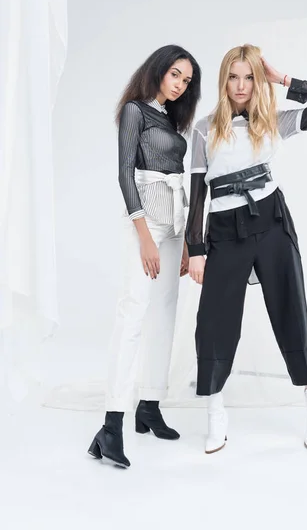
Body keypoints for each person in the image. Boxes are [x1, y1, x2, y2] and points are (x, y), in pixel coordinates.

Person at [186, 44, 307, 455]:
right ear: (224, 80)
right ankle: (216, 413)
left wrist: (282, 78)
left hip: (271, 222)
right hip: (223, 230)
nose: (240, 85)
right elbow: (197, 194)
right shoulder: (203, 128)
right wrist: (195, 249)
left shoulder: (272, 121)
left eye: (248, 76)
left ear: (257, 80)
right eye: (233, 77)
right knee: (214, 322)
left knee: (291, 309)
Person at [88, 45, 201, 468]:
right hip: (145, 225)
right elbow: (124, 173)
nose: (180, 84)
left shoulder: (173, 121)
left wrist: (187, 241)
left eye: (187, 80)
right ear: (158, 71)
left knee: (166, 315)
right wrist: (144, 238)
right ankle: (111, 423)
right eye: (175, 74)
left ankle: (149, 404)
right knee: (132, 313)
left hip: (173, 225)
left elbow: (178, 181)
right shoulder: (135, 111)